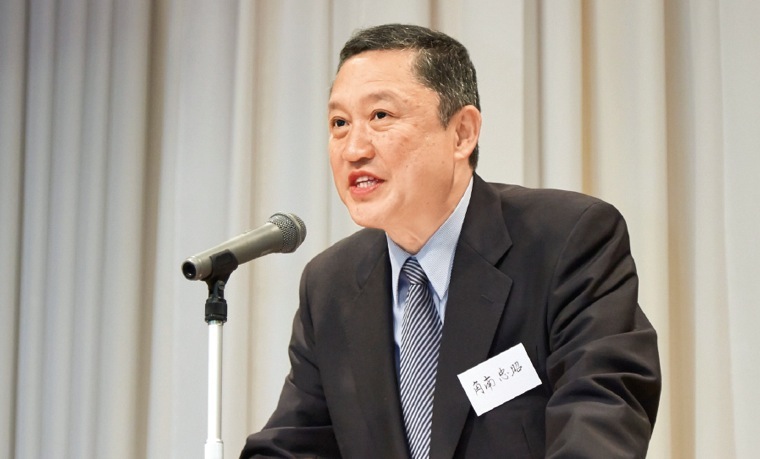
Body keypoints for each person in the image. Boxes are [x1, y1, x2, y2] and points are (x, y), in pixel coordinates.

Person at [240, 23, 661, 458]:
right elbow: (295, 444)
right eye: (340, 123)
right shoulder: (331, 284)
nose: (353, 149)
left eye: (380, 116)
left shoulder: (566, 240)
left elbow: (602, 411)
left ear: (462, 133)